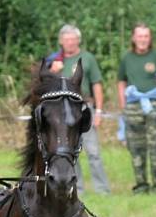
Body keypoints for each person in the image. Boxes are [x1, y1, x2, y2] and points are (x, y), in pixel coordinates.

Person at [47, 24, 111, 195]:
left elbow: (96, 84)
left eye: (73, 39)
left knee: (93, 152)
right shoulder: (55, 61)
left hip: (83, 108)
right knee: (69, 152)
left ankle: (103, 190)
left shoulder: (87, 58)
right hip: (62, 114)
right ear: (61, 41)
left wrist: (98, 110)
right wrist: (52, 72)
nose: (70, 43)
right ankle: (76, 189)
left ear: (78, 40)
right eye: (66, 39)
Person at [117, 23, 156, 194]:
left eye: (146, 36)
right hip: (133, 105)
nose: (143, 40)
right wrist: (123, 104)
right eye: (140, 36)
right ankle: (141, 185)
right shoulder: (127, 58)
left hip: (154, 105)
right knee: (136, 147)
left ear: (150, 38)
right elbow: (121, 81)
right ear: (134, 38)